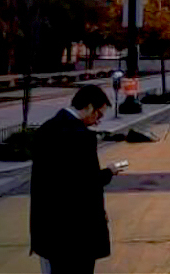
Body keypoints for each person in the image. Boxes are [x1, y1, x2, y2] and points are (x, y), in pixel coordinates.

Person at [30, 85, 124, 274]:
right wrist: (109, 172)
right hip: (77, 233)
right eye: (98, 114)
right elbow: (85, 183)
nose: (98, 121)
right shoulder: (80, 137)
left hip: (47, 229)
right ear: (89, 106)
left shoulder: (46, 129)